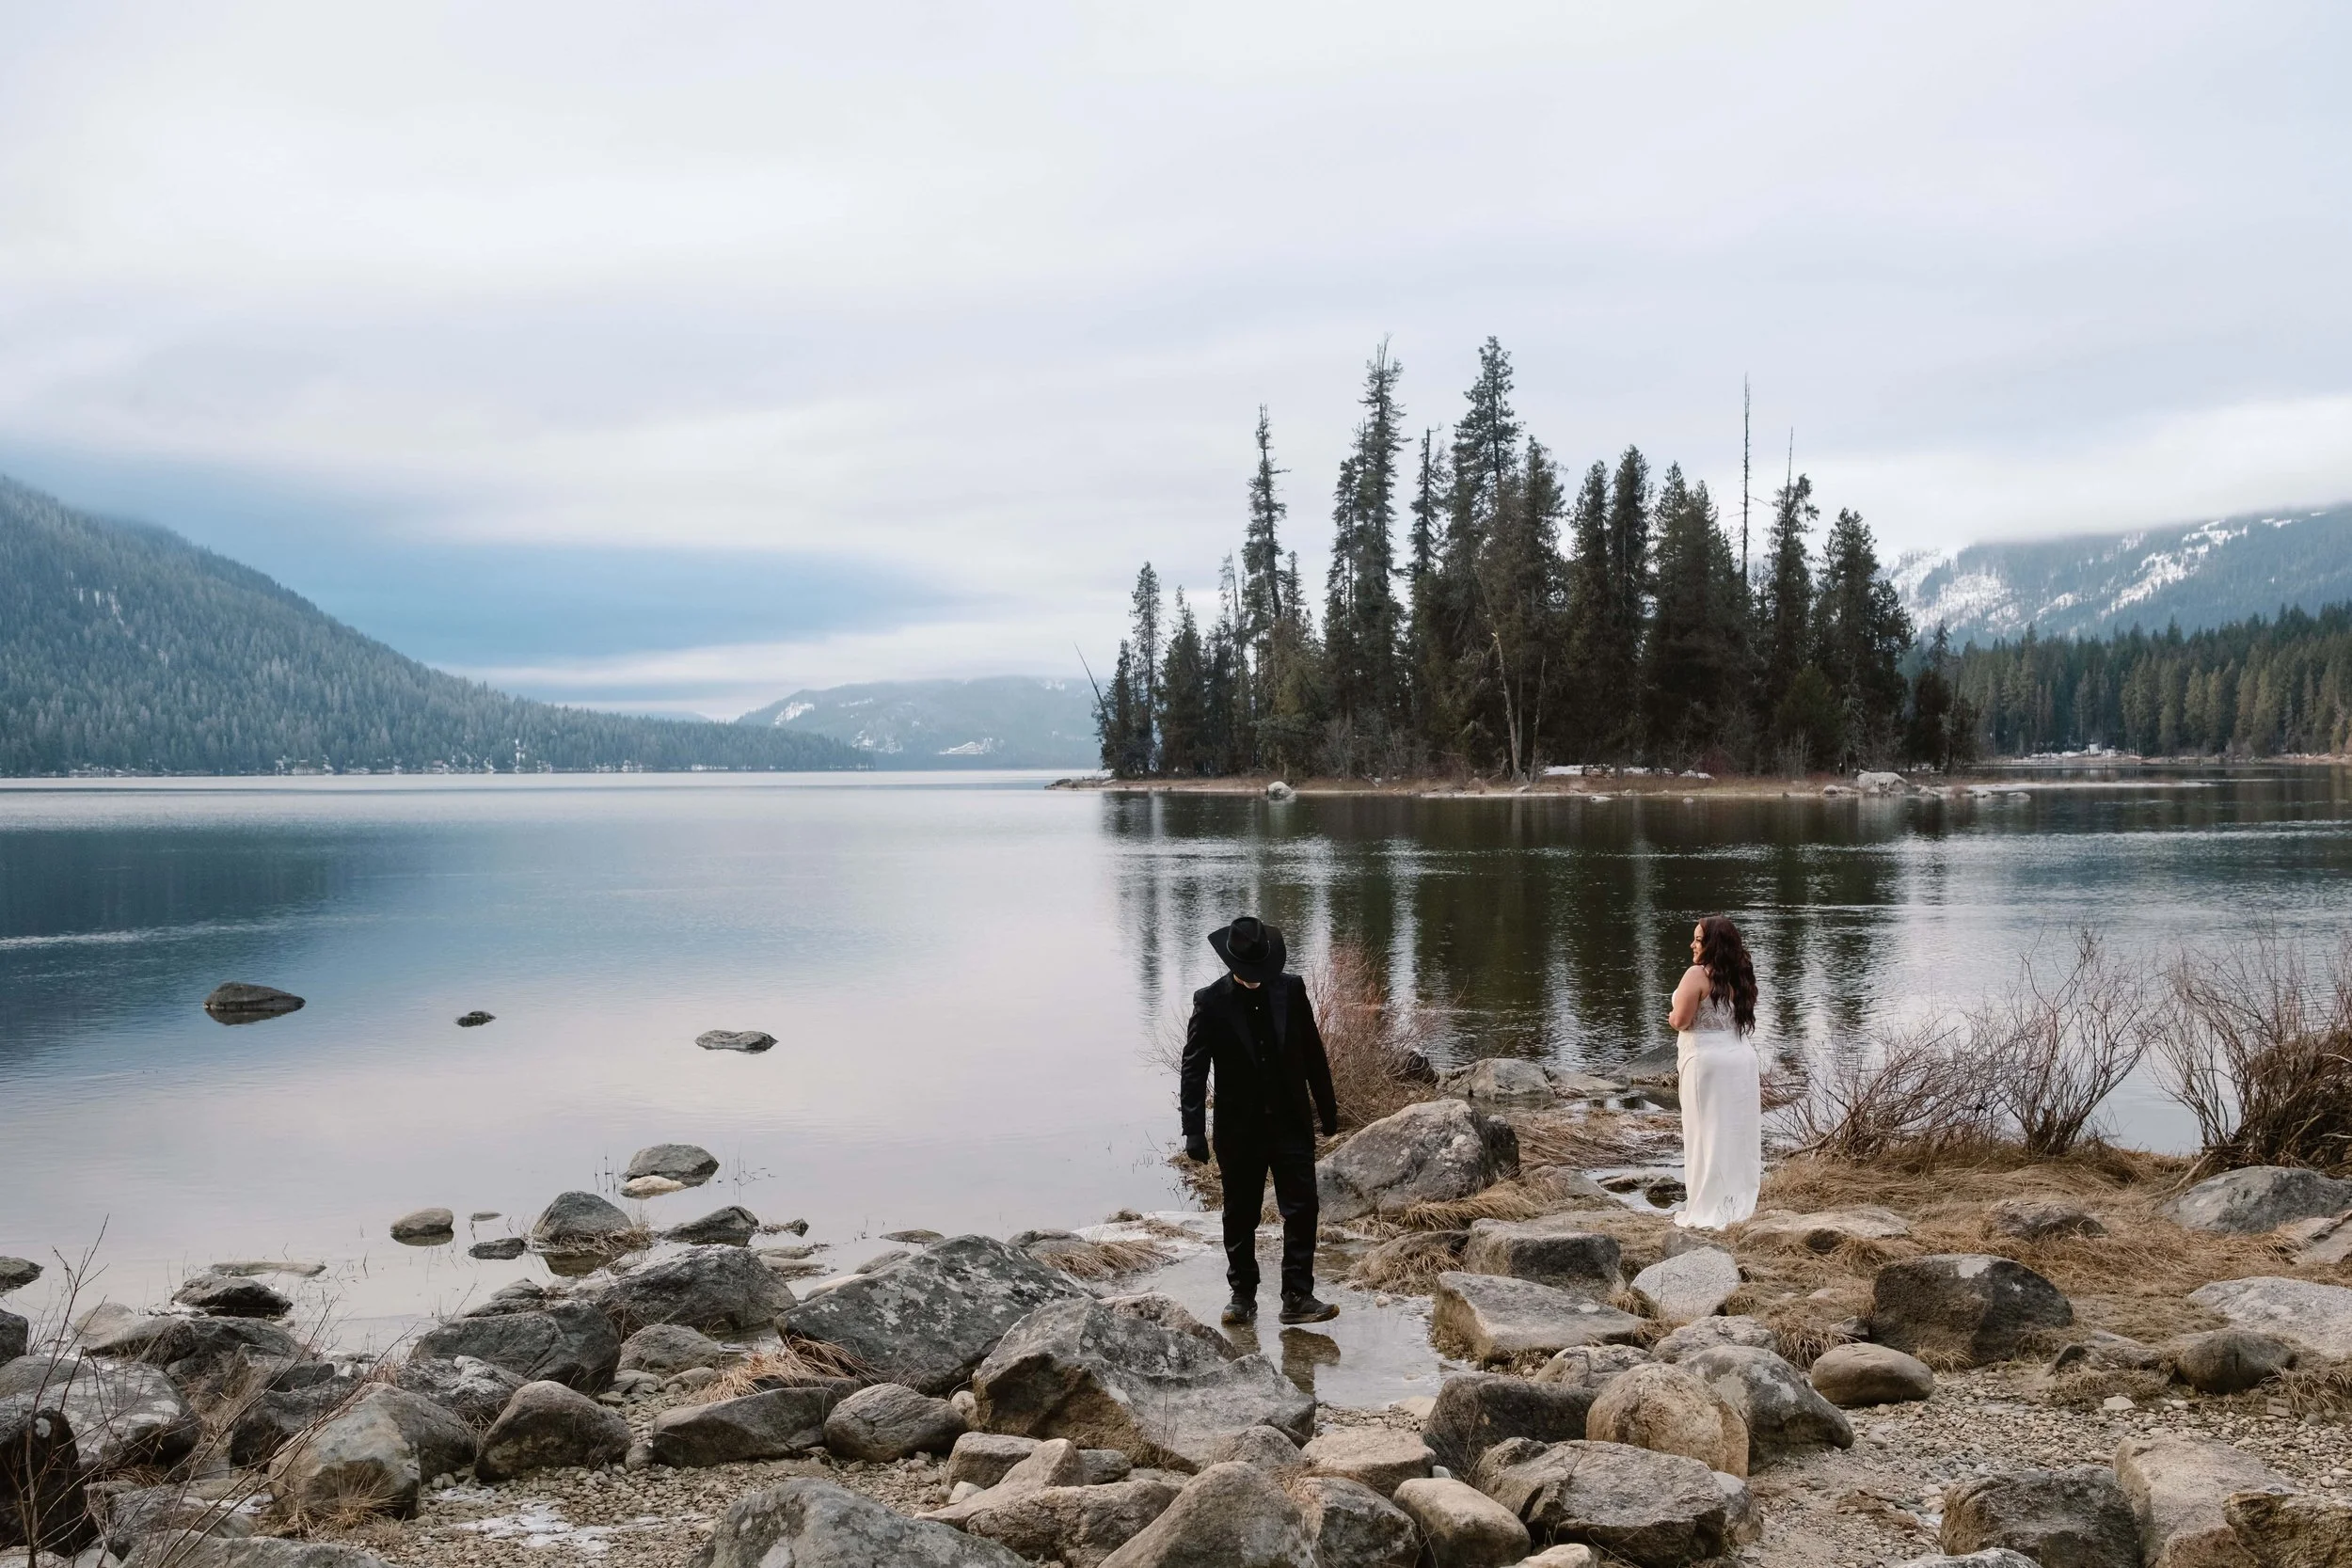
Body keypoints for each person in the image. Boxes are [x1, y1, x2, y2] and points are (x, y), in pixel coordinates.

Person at [1180, 915, 1340, 1325]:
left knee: (1302, 1208)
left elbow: (1312, 1052)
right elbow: (1194, 1069)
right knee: (1240, 1212)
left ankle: (1298, 1297)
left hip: (1290, 1122)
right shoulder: (1210, 1001)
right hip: (1239, 1128)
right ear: (1232, 962)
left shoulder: (1291, 989)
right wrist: (1194, 1130)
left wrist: (1327, 1109)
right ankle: (1242, 1297)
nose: (1256, 978)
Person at [1667, 914, 1762, 1229]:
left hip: (1707, 1063)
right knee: (1736, 1134)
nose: (1692, 944)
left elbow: (1681, 1021)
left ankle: (1707, 1206)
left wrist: (1670, 1015)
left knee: (1705, 1136)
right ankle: (1736, 1203)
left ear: (1712, 944)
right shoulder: (1740, 975)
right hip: (1741, 1060)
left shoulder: (1697, 975)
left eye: (1698, 939)